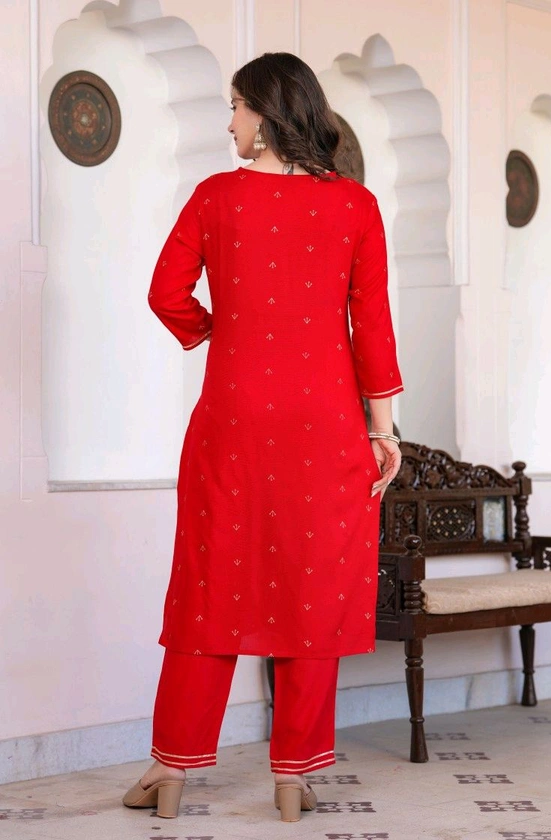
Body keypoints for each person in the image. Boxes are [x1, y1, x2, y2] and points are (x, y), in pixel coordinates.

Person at [123, 51, 403, 823]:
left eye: (237, 107)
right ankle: (293, 778)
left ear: (269, 113)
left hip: (232, 419)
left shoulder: (216, 197)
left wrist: (218, 331)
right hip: (326, 423)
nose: (231, 123)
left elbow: (164, 292)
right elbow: (372, 326)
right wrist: (383, 432)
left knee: (208, 586)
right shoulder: (356, 206)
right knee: (314, 588)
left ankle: (171, 768)